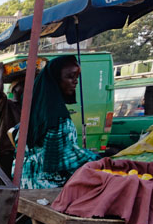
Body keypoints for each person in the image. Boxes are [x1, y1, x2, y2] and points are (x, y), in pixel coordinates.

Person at [21, 55, 98, 189]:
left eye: (76, 77)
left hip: (26, 182)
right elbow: (60, 158)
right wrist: (98, 160)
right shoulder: (55, 116)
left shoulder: (35, 109)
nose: (75, 82)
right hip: (46, 187)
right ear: (55, 79)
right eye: (70, 76)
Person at [0, 62, 25, 181]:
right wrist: (0, 73)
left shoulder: (27, 108)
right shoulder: (5, 104)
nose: (26, 88)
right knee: (7, 184)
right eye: (22, 85)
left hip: (22, 152)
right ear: (14, 88)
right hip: (5, 152)